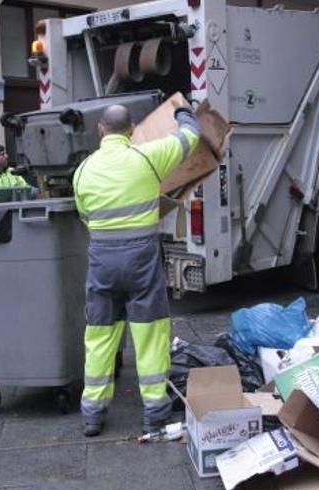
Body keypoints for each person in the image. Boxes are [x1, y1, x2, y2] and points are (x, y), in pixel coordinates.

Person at [72, 103, 199, 437]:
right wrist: (183, 113)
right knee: (150, 333)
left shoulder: (83, 170)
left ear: (101, 130)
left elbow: (85, 216)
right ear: (131, 131)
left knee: (99, 336)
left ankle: (92, 416)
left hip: (102, 260)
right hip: (141, 259)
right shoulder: (148, 157)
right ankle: (155, 413)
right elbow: (190, 138)